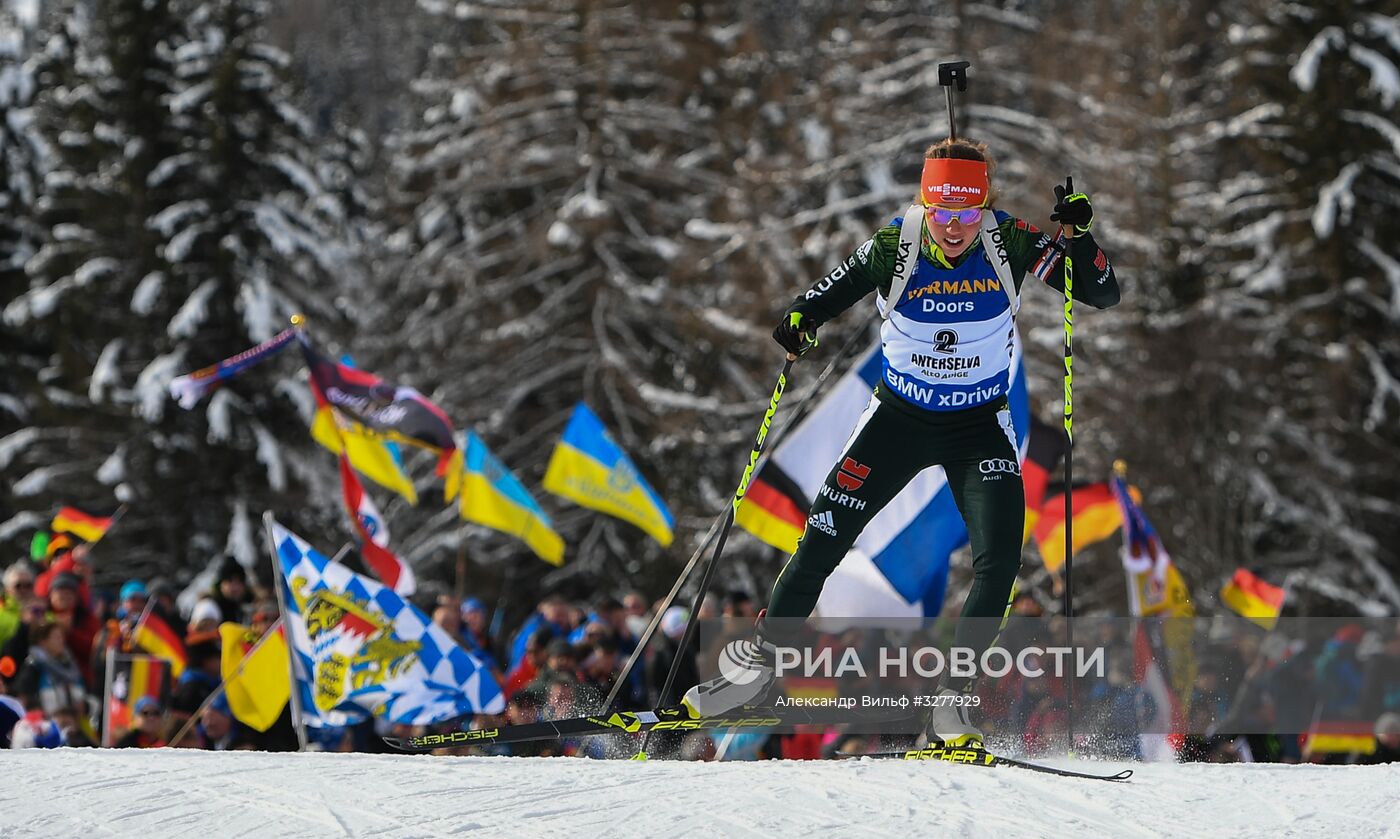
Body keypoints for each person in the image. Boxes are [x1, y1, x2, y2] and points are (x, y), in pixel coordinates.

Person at [685, 138, 1121, 749]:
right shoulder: (897, 244)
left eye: (966, 215)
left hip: (978, 424)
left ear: (984, 208)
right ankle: (757, 676)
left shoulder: (1010, 241)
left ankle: (954, 696)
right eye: (941, 213)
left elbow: (1100, 292)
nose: (952, 229)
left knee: (1001, 559)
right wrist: (799, 319)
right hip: (899, 418)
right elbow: (828, 291)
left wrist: (1079, 240)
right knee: (824, 534)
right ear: (924, 203)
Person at [0, 561, 35, 649]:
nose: (24, 590)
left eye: (28, 585)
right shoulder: (1, 615)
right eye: (18, 586)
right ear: (7, 589)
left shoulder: (43, 611)